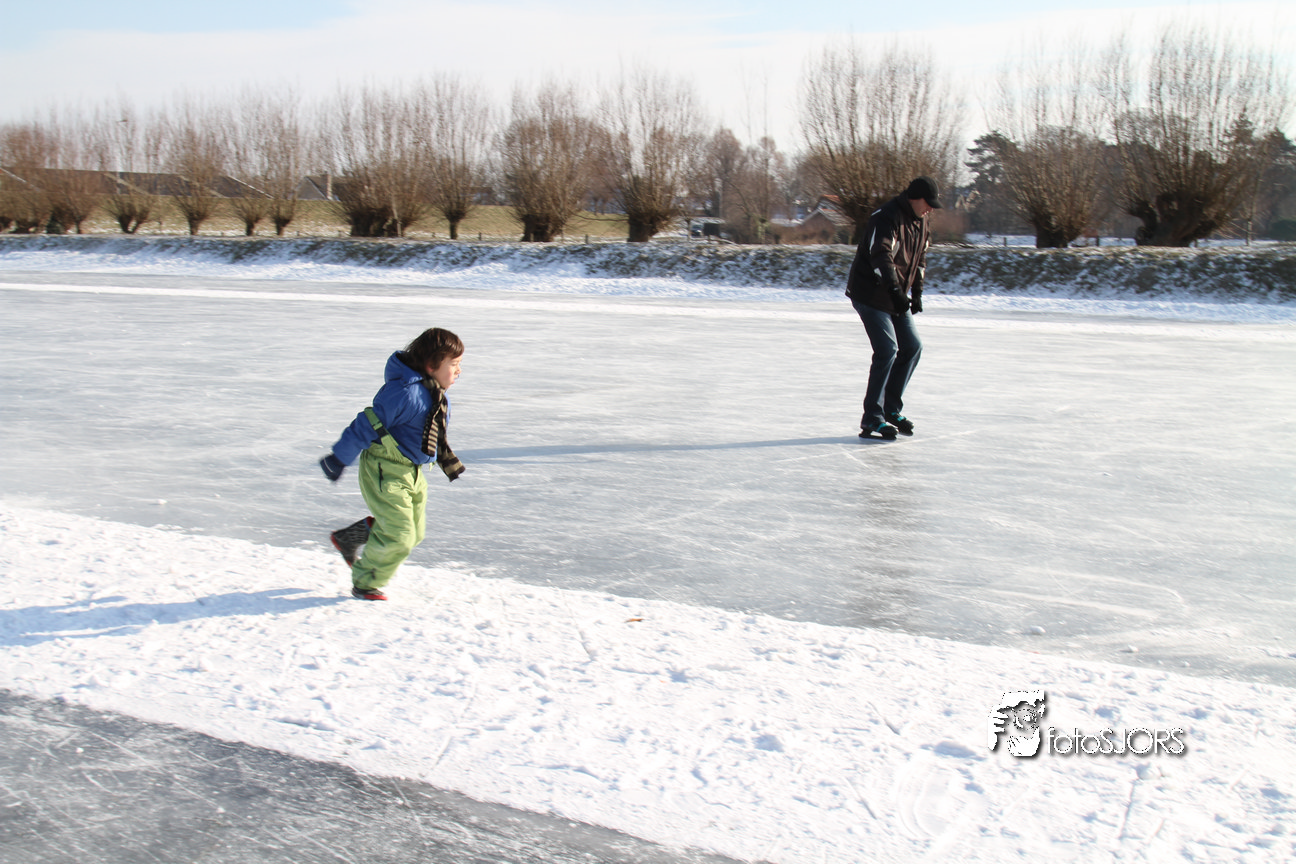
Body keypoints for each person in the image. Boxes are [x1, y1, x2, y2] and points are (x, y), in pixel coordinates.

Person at [318, 327, 466, 600]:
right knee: (400, 534)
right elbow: (367, 423)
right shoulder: (405, 394)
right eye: (454, 364)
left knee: (414, 532)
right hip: (385, 469)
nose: (459, 370)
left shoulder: (432, 391)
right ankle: (365, 581)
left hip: (411, 471)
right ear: (431, 365)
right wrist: (339, 458)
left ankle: (352, 536)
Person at [845, 176, 940, 440]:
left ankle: (891, 410)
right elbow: (880, 256)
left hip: (895, 294)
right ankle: (872, 418)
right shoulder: (886, 217)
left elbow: (920, 257)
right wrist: (897, 291)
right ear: (914, 198)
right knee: (887, 349)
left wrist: (916, 292)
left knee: (912, 347)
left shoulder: (921, 221)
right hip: (870, 293)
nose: (930, 209)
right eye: (928, 203)